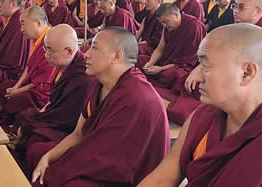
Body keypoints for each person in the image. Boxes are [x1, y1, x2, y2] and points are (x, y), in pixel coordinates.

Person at [138, 23, 262, 187]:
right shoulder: (204, 115)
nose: (196, 76)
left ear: (247, 73)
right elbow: (165, 175)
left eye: (206, 65)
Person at [28, 26, 170, 187]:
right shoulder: (98, 84)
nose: (86, 54)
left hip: (125, 176)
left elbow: (117, 163)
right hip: (97, 159)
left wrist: (63, 169)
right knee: (38, 152)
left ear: (116, 56)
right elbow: (78, 134)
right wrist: (47, 157)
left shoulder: (138, 99)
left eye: (94, 48)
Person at [12, 24, 91, 162]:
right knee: (24, 117)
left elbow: (67, 119)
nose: (46, 55)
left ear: (69, 51)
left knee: (34, 137)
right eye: (45, 49)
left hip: (67, 128)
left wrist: (36, 122)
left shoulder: (83, 77)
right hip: (55, 116)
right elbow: (53, 101)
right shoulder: (64, 66)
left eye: (50, 50)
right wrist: (38, 117)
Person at [0, 6, 58, 125]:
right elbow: (28, 68)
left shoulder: (50, 43)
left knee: (15, 101)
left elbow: (40, 83)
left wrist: (18, 91)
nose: (21, 29)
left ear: (38, 23)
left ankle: (1, 118)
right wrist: (16, 87)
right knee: (3, 87)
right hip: (29, 85)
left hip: (40, 95)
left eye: (24, 24)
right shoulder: (37, 40)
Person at [137, 3, 206, 125]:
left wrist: (160, 68)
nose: (164, 25)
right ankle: (153, 78)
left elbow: (188, 62)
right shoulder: (167, 27)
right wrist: (150, 62)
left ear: (175, 15)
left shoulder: (194, 26)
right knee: (140, 60)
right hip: (167, 62)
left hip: (183, 67)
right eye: (162, 23)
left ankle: (154, 82)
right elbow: (159, 49)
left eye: (166, 22)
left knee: (173, 74)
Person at [0, 0, 30, 90]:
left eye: (2, 2)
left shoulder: (18, 23)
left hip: (9, 71)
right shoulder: (8, 20)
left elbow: (12, 63)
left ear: (13, 4)